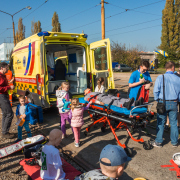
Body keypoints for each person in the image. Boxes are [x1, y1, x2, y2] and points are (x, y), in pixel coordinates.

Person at [152, 61, 180, 147]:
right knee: (174, 123)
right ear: (172, 68)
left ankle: (159, 142)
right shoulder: (178, 78)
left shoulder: (161, 77)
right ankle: (174, 142)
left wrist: (157, 100)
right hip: (174, 102)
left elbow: (156, 91)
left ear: (165, 68)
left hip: (162, 102)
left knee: (161, 122)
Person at [0, 62, 14, 139]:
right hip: (1, 96)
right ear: (2, 68)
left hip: (3, 96)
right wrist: (9, 88)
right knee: (9, 114)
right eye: (6, 67)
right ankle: (5, 133)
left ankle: (4, 132)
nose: (7, 69)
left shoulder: (2, 76)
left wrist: (9, 83)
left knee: (5, 114)